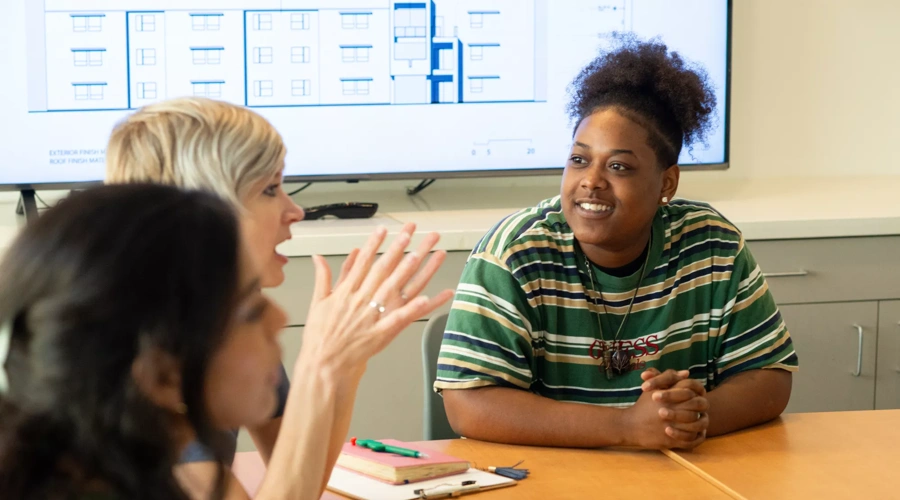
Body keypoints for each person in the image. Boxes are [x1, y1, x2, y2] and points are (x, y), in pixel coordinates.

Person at [435, 35, 798, 450]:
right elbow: (467, 404)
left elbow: (770, 375)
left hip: (679, 478)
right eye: (579, 159)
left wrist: (686, 417)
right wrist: (626, 428)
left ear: (667, 183)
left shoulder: (713, 246)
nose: (591, 180)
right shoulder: (513, 255)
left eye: (619, 166)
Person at [0, 184, 448, 499]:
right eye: (251, 309)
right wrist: (323, 366)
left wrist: (339, 366)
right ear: (160, 373)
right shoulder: (188, 479)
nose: (282, 319)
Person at [104, 97, 453, 496]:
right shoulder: (136, 357)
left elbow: (305, 480)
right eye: (270, 189)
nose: (296, 211)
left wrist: (346, 361)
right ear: (204, 208)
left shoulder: (229, 326)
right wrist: (322, 363)